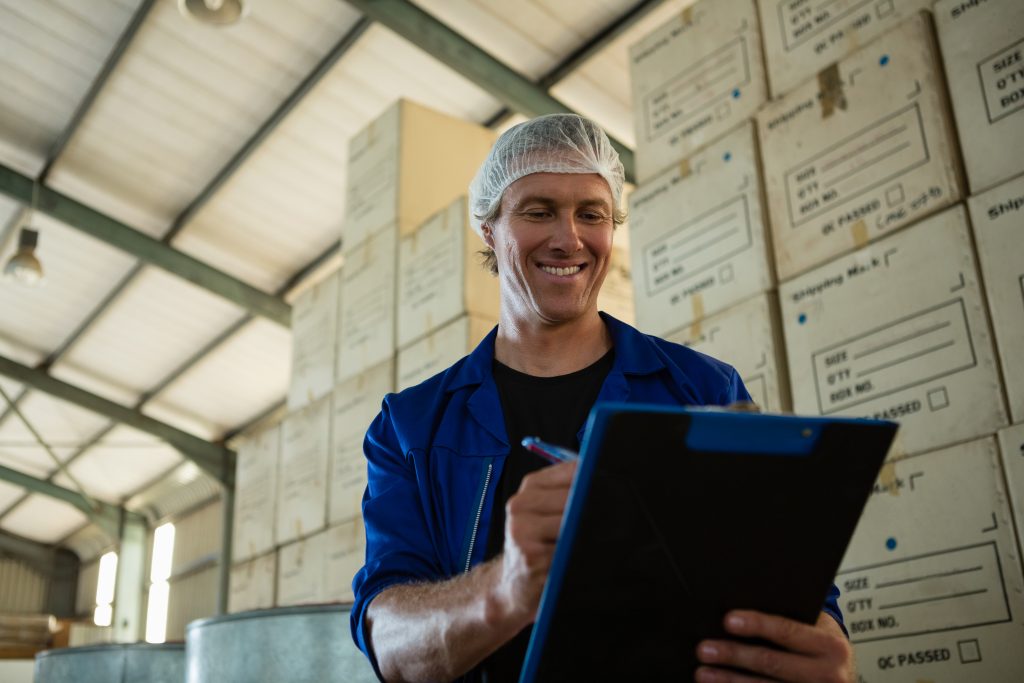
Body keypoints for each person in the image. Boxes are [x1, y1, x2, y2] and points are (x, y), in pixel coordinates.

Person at [350, 114, 854, 683]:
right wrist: (507, 590)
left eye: (591, 213)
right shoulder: (412, 426)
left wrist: (822, 649)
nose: (569, 238)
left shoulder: (704, 391)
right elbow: (390, 646)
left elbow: (788, 577)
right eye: (538, 211)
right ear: (489, 229)